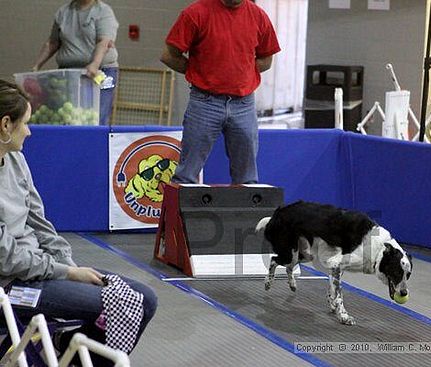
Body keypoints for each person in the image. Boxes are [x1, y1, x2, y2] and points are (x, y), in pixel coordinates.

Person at [0, 80, 157, 365]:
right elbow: (7, 260)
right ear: (6, 125)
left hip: (41, 270)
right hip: (11, 287)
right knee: (126, 303)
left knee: (145, 297)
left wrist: (67, 262)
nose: (29, 131)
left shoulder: (16, 161)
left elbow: (40, 222)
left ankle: (66, 345)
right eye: (25, 123)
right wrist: (67, 274)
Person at [160, 0, 281, 184]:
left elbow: (266, 59)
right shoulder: (195, 13)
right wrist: (199, 73)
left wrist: (242, 73)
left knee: (247, 178)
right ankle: (179, 213)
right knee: (186, 175)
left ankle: (246, 213)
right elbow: (169, 56)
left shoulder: (258, 16)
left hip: (244, 104)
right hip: (204, 102)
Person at [32, 0, 119, 125]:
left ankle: (93, 142)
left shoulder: (103, 12)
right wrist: (36, 66)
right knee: (68, 116)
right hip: (69, 73)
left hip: (100, 72)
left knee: (96, 117)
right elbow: (53, 42)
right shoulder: (63, 12)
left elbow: (104, 42)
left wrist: (94, 64)